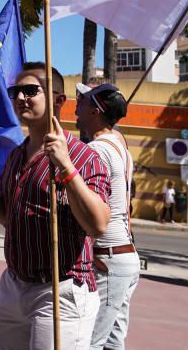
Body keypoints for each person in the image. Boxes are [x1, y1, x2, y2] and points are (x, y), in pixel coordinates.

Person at [0, 62, 110, 350]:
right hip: (15, 285)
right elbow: (10, 219)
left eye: (30, 91)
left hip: (60, 289)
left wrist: (66, 168)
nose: (20, 98)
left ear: (59, 100)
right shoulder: (16, 155)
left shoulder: (83, 157)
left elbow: (98, 224)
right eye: (15, 91)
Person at [75, 82, 138, 350]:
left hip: (109, 257)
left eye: (84, 100)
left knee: (91, 341)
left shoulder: (97, 150)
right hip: (122, 255)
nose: (77, 104)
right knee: (113, 342)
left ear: (95, 111)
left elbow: (91, 207)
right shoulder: (120, 146)